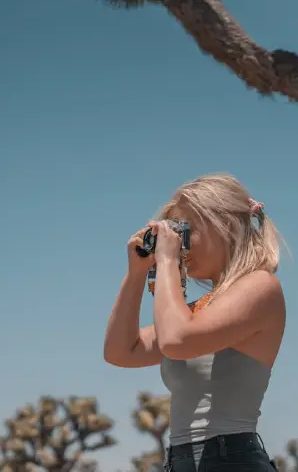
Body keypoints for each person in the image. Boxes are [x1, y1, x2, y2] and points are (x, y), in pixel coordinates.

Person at [103, 173, 286, 472]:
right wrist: (136, 273)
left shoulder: (261, 287)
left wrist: (166, 263)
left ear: (224, 225)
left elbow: (177, 341)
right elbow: (121, 351)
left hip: (231, 460)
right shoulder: (199, 312)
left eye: (185, 232)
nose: (181, 248)